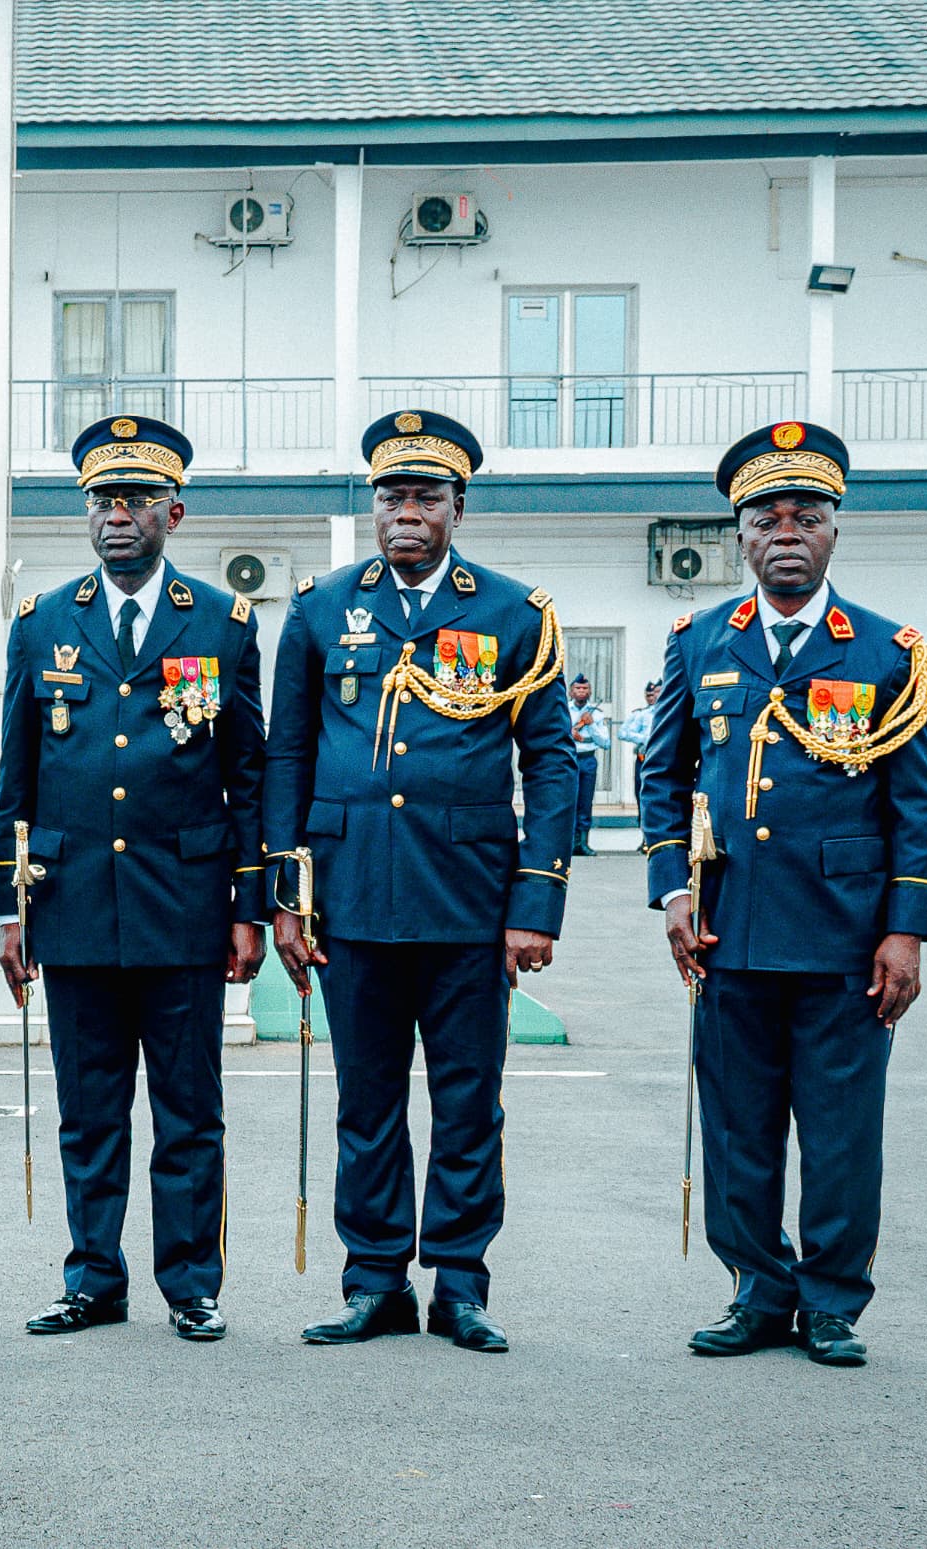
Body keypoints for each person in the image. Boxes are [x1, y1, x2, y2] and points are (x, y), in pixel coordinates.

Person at [264, 410, 574, 1356]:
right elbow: (288, 754)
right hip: (352, 895)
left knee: (469, 1096)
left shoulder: (515, 613)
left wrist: (535, 900)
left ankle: (463, 1282)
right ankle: (374, 1279)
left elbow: (551, 761)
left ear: (457, 506)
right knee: (367, 1098)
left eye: (426, 497)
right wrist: (287, 894)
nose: (407, 513)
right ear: (373, 505)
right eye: (392, 496)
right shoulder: (320, 608)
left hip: (469, 901)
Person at [639, 420, 927, 1368]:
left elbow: (915, 806)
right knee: (738, 1125)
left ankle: (834, 1301)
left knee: (843, 1133)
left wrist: (907, 930)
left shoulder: (889, 651)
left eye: (806, 514)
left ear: (834, 532)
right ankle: (759, 1290)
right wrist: (671, 897)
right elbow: (661, 777)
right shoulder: (699, 641)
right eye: (766, 517)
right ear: (740, 537)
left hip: (847, 938)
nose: (786, 530)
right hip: (728, 928)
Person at [0, 415, 266, 1343]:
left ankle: (191, 1282)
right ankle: (92, 1277)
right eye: (102, 500)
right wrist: (9, 907)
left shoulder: (224, 623)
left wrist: (249, 905)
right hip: (69, 906)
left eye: (136, 500)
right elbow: (15, 778)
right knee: (90, 1110)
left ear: (172, 512)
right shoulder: (44, 623)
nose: (116, 516)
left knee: (190, 1112)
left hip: (184, 907)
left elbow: (249, 776)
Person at [565, 674, 610, 855]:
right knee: (569, 800)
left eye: (585, 688)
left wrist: (590, 726)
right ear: (571, 691)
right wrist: (571, 733)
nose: (581, 691)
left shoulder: (596, 714)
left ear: (590, 691)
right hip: (570, 759)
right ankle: (569, 843)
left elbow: (605, 742)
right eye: (578, 688)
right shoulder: (564, 710)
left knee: (585, 801)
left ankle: (583, 843)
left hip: (588, 760)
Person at [621, 680, 662, 769]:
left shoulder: (669, 713)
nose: (652, 698)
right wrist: (643, 739)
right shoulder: (642, 714)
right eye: (649, 695)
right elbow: (626, 733)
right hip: (644, 756)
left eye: (655, 694)